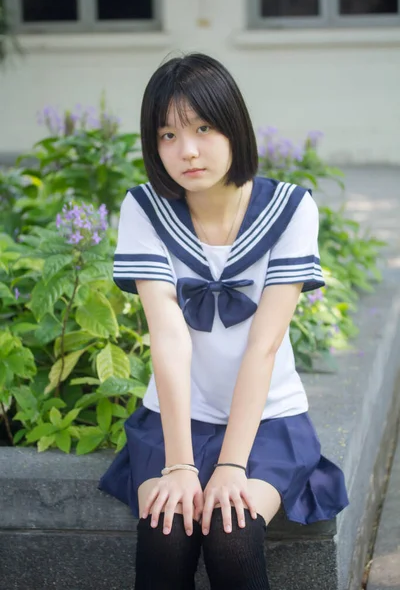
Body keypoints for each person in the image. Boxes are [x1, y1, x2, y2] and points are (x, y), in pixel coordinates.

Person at [98, 52, 349, 590]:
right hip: (173, 421)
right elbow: (168, 340)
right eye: (167, 135)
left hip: (268, 422)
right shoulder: (144, 209)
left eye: (203, 128)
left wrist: (232, 467)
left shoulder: (289, 208)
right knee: (167, 533)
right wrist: (181, 467)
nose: (186, 150)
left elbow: (265, 345)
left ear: (234, 126)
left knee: (231, 534)